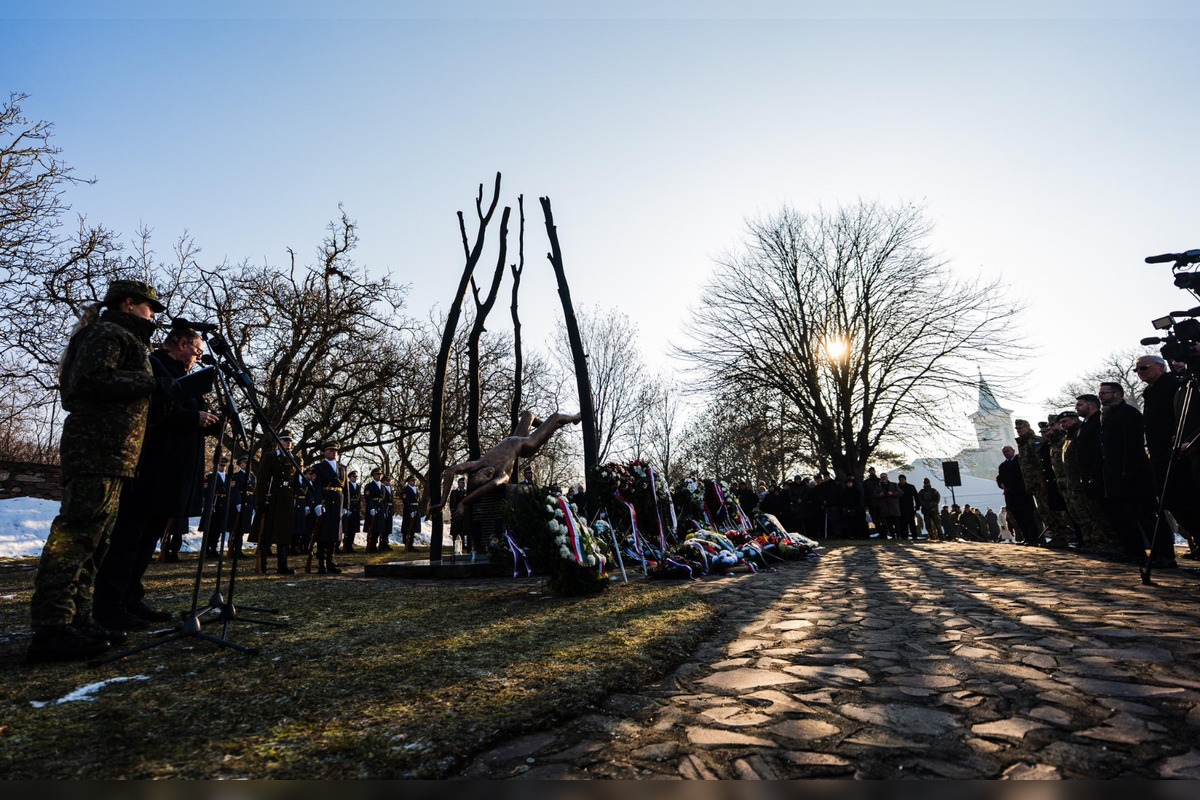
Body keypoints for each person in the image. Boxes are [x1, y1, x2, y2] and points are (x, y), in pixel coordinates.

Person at [28, 280, 164, 662]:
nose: (153, 315)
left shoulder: (123, 336)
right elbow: (89, 380)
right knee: (76, 537)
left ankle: (78, 619)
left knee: (96, 541)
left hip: (114, 454)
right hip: (96, 450)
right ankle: (52, 627)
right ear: (128, 303)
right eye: (149, 307)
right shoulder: (107, 333)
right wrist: (151, 382)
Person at [92, 325, 218, 632]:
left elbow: (192, 413)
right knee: (128, 540)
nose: (198, 357)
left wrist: (214, 421)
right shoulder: (153, 365)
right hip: (149, 467)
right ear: (181, 343)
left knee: (148, 540)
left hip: (173, 471)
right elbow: (149, 410)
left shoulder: (186, 376)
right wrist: (192, 418)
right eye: (197, 351)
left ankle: (131, 598)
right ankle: (110, 606)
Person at [1136, 354, 1200, 562]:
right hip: (1159, 455)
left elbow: (1187, 414)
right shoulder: (1150, 391)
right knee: (1172, 503)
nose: (1139, 373)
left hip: (1180, 452)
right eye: (1136, 369)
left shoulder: (1176, 385)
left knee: (1186, 501)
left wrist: (1183, 436)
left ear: (1160, 367)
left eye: (1143, 368)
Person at [1099, 382, 1164, 565]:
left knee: (1147, 517)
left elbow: (1133, 444)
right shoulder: (1108, 416)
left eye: (1104, 393)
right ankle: (1135, 553)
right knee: (1125, 519)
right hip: (1116, 477)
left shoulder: (1128, 412)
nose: (1100, 396)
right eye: (1100, 393)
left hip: (1135, 476)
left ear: (1118, 394)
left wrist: (1128, 470)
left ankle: (1162, 555)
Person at [253, 431, 301, 574]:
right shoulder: (270, 457)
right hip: (272, 497)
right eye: (285, 440)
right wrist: (260, 501)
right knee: (266, 532)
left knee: (284, 534)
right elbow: (262, 480)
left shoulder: (295, 459)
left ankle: (282, 565)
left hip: (287, 498)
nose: (288, 443)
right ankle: (263, 565)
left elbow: (296, 482)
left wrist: (296, 499)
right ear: (279, 442)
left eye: (290, 441)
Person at [312, 441, 347, 574]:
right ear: (324, 453)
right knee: (323, 533)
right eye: (331, 450)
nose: (334, 453)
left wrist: (346, 505)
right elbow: (317, 487)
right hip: (326, 500)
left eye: (335, 451)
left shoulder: (342, 468)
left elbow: (346, 489)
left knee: (334, 533)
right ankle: (322, 563)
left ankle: (331, 561)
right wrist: (318, 503)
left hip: (338, 501)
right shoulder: (319, 467)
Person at [997, 443, 1039, 546]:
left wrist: (1010, 485)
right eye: (1004, 452)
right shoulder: (1002, 466)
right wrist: (1001, 485)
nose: (1006, 453)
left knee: (1028, 518)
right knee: (1019, 519)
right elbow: (999, 478)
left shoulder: (1020, 461)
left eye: (1008, 451)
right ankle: (1026, 538)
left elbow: (1021, 476)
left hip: (1022, 494)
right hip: (1011, 497)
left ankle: (1034, 539)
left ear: (1013, 451)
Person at [200, 457, 232, 558]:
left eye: (224, 466)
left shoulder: (228, 477)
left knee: (218, 529)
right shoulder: (210, 477)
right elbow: (205, 492)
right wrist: (209, 503)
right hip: (213, 504)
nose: (223, 467)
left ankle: (214, 548)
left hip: (222, 506)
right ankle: (206, 548)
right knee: (210, 528)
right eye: (221, 465)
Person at [229, 456, 255, 558]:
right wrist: (238, 503)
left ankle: (238, 550)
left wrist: (253, 506)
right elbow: (235, 491)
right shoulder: (236, 476)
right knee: (236, 529)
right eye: (244, 464)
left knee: (243, 529)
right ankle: (233, 549)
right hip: (239, 504)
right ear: (240, 465)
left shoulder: (252, 477)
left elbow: (253, 492)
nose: (247, 466)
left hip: (248, 505)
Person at [364, 468, 386, 553]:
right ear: (373, 475)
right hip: (373, 508)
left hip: (380, 509)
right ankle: (371, 546)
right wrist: (371, 508)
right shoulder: (369, 486)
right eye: (377, 474)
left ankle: (374, 546)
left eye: (380, 474)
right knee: (373, 528)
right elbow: (368, 498)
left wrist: (384, 510)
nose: (379, 476)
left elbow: (384, 500)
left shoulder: (382, 486)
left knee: (379, 529)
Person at [342, 470, 361, 553]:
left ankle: (350, 545)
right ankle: (346, 545)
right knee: (348, 528)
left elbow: (359, 499)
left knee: (354, 529)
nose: (355, 478)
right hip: (350, 508)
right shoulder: (347, 485)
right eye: (354, 477)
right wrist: (347, 508)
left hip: (356, 509)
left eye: (356, 477)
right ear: (349, 477)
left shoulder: (358, 486)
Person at [401, 475, 421, 551]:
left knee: (413, 528)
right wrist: (410, 510)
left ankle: (411, 545)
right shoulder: (405, 490)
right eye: (412, 481)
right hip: (408, 511)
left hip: (416, 509)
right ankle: (407, 544)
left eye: (414, 481)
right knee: (408, 528)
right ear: (408, 482)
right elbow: (406, 501)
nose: (414, 482)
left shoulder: (416, 489)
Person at [897, 474, 919, 539]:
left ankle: (914, 535)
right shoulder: (897, 487)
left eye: (902, 479)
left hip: (910, 507)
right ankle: (904, 536)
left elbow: (916, 497)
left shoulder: (911, 487)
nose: (901, 481)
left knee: (912, 522)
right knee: (902, 523)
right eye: (900, 480)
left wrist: (917, 506)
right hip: (900, 507)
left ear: (905, 479)